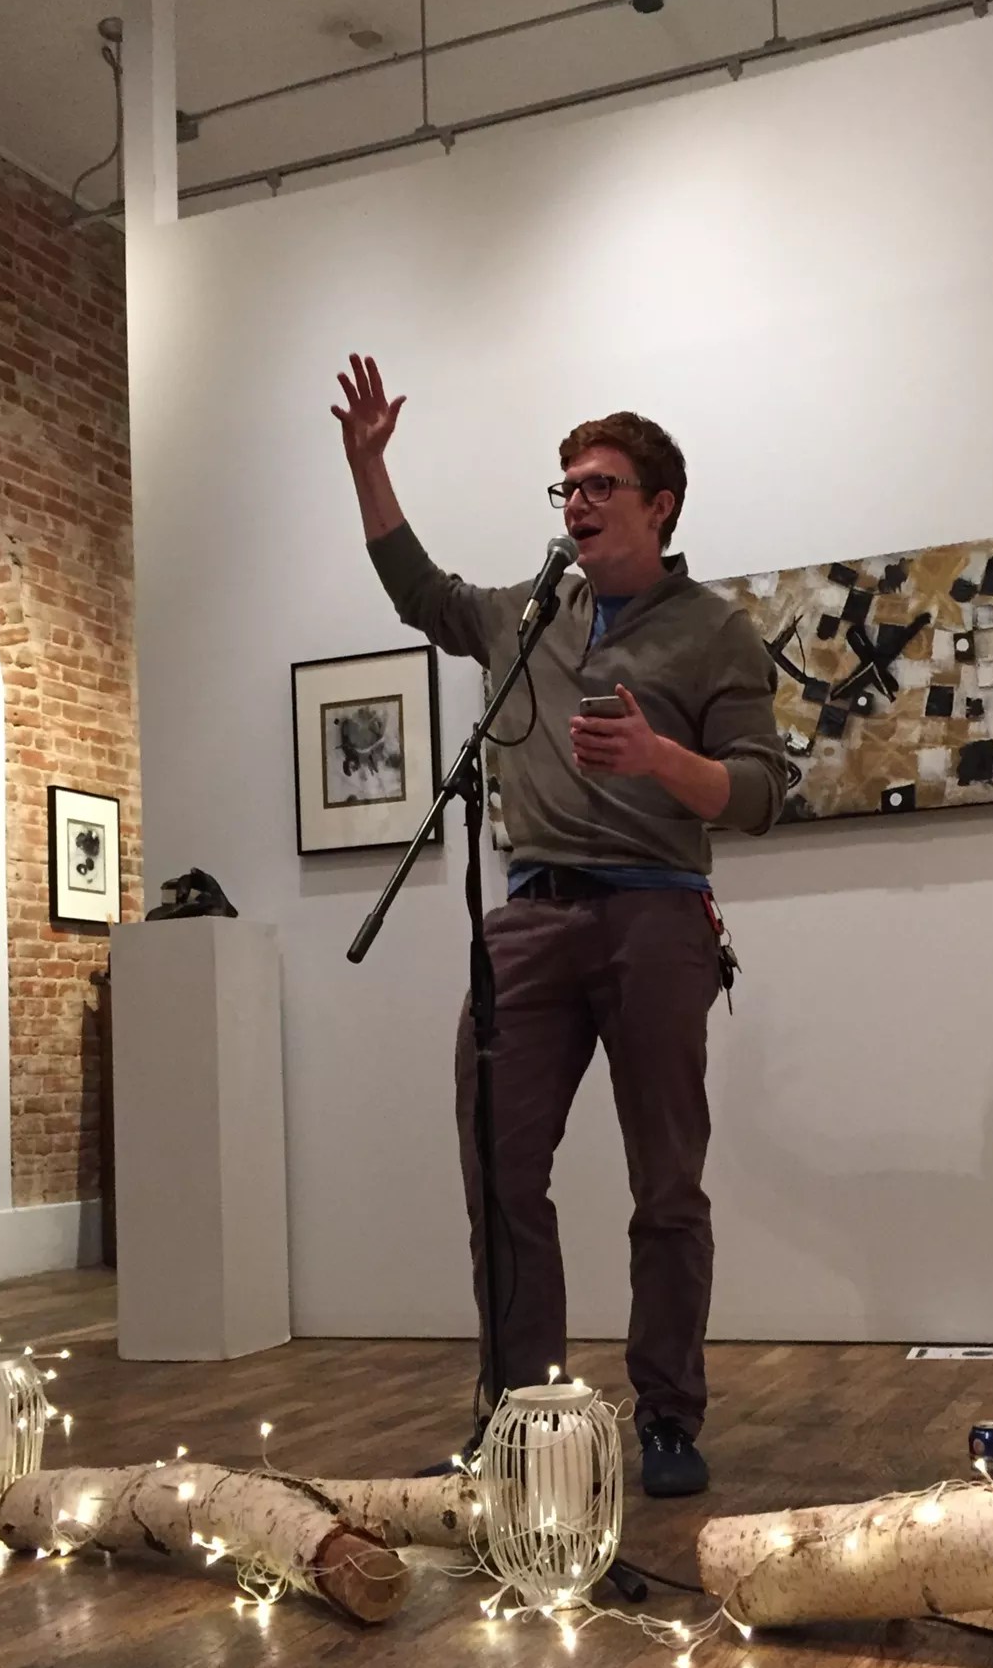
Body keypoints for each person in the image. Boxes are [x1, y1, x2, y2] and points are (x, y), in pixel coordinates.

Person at [333, 354, 784, 1496]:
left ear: (659, 506)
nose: (577, 502)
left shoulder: (716, 632)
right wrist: (369, 467)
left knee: (666, 1184)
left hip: (656, 916)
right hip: (528, 917)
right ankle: (520, 1418)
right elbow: (419, 592)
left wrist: (660, 757)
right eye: (566, 486)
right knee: (499, 1169)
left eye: (600, 485)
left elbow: (760, 793)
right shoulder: (529, 615)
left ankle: (667, 1416)